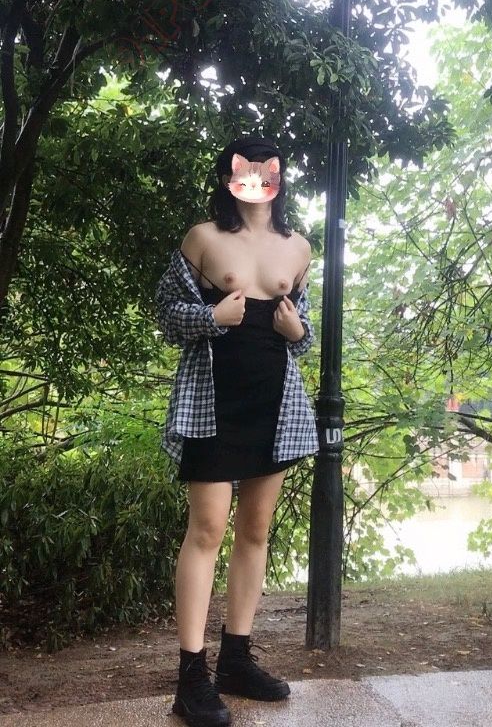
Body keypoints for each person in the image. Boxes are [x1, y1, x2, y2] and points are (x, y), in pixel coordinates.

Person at [154, 136, 319, 727]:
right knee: (206, 530)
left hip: (274, 404)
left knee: (255, 531)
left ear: (278, 177)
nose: (255, 183)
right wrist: (210, 315)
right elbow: (165, 314)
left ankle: (236, 660)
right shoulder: (202, 238)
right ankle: (191, 677)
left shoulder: (298, 247)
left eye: (265, 172)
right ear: (228, 178)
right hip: (212, 401)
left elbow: (305, 330)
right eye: (243, 172)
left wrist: (299, 333)